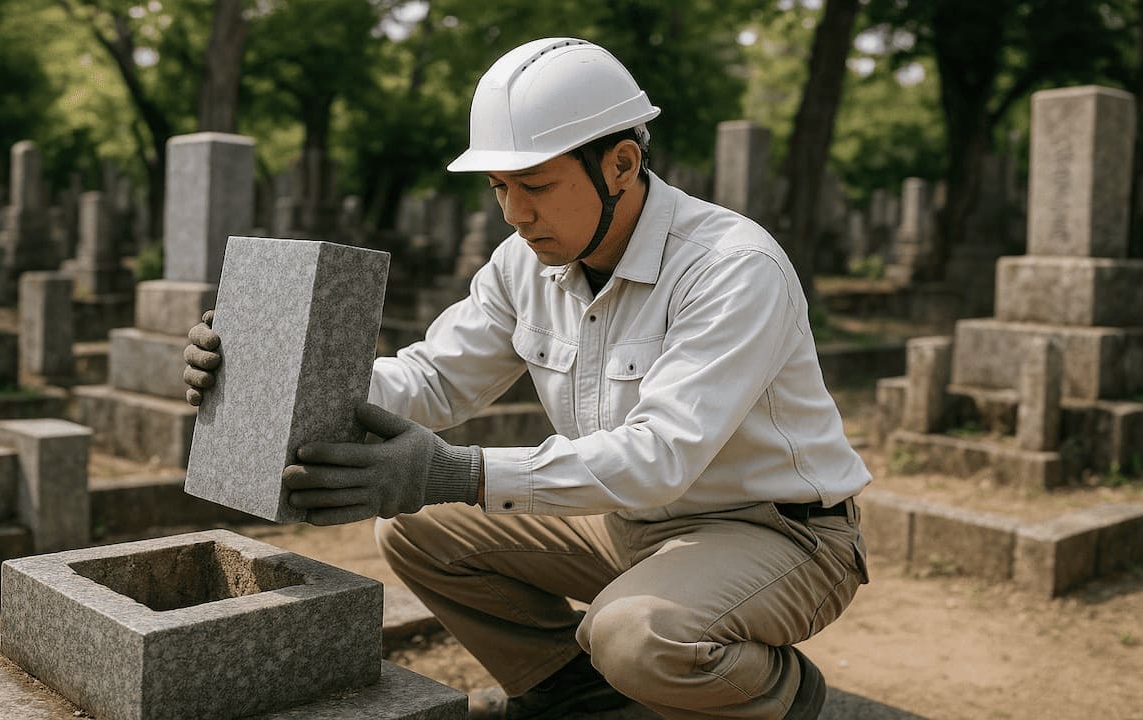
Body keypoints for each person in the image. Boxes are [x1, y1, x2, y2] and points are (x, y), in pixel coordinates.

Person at [184, 37, 870, 720]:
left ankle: (779, 694)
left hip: (781, 536)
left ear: (621, 164)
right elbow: (433, 379)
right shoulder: (525, 264)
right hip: (630, 525)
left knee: (635, 638)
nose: (514, 213)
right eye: (500, 188)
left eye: (535, 186)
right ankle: (567, 692)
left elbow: (660, 457)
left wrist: (458, 471)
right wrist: (276, 375)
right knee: (417, 529)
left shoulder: (730, 267)